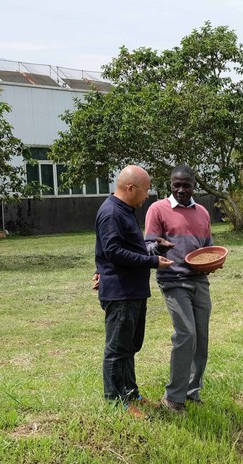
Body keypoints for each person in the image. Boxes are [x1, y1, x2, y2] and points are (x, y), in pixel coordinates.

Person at [95, 165, 174, 418]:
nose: (148, 195)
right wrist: (153, 262)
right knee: (118, 348)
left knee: (130, 346)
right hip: (121, 292)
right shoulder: (111, 212)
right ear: (130, 188)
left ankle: (130, 393)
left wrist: (153, 247)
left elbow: (124, 247)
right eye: (146, 189)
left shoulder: (125, 210)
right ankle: (115, 400)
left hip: (133, 290)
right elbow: (113, 252)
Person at [144, 164, 213, 414]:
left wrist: (212, 262)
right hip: (173, 279)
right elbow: (147, 246)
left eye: (186, 185)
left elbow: (208, 248)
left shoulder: (202, 212)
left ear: (194, 186)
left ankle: (192, 392)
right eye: (176, 185)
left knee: (201, 338)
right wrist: (159, 247)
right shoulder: (157, 209)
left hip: (199, 280)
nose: (181, 190)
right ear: (170, 184)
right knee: (186, 334)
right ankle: (173, 398)